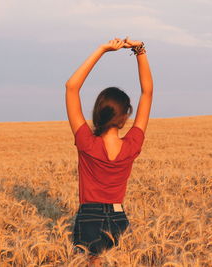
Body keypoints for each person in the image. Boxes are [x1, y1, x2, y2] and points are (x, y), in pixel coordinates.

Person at [65, 37, 153, 266]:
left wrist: (102, 50)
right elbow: (147, 93)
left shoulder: (86, 142)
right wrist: (139, 50)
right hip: (118, 216)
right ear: (125, 117)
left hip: (89, 215)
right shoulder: (132, 145)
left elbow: (71, 87)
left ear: (97, 113)